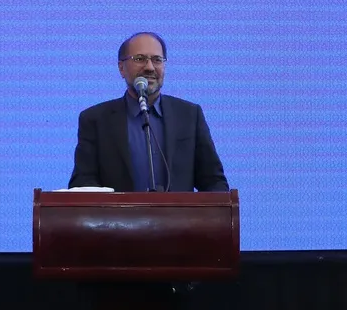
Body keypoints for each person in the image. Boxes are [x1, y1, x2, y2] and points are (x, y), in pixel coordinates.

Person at [69, 32, 228, 192]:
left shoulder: (189, 115)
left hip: (177, 210)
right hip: (119, 210)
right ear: (121, 68)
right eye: (139, 59)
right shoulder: (95, 119)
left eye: (157, 60)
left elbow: (214, 182)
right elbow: (83, 183)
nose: (150, 67)